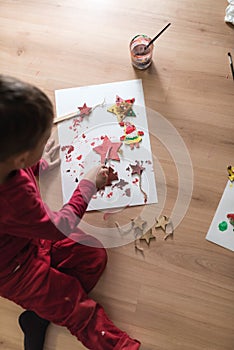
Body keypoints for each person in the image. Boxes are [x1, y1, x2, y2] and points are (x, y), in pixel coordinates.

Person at [0, 75, 141, 350]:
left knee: (93, 255)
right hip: (14, 271)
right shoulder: (13, 199)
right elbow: (58, 227)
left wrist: (36, 165)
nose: (47, 142)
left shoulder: (7, 166)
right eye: (43, 141)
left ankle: (40, 314)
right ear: (18, 157)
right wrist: (89, 184)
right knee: (76, 307)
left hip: (25, 238)